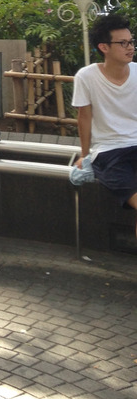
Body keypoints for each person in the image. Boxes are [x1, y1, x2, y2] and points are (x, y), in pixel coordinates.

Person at [71, 14, 137, 238]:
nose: (130, 47)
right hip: (109, 152)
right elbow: (84, 118)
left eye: (131, 41)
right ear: (103, 47)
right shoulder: (87, 76)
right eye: (123, 43)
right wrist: (85, 155)